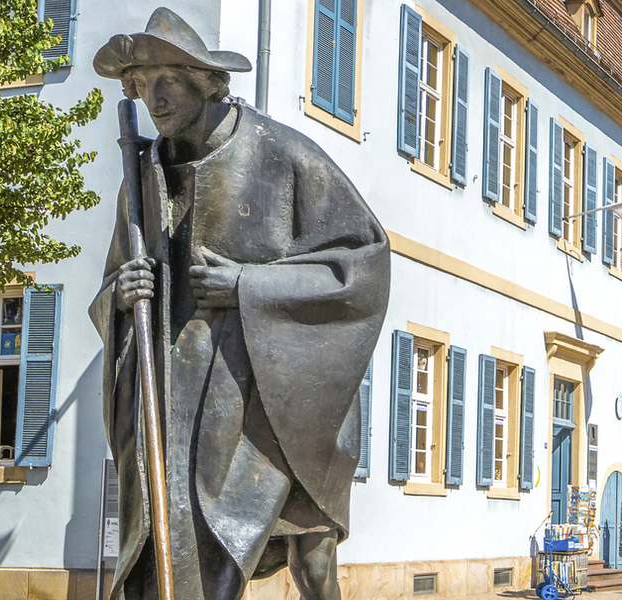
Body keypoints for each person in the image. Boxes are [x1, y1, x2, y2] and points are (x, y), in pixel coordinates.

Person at [91, 9, 393, 600]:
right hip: (177, 405)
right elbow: (113, 286)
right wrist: (120, 297)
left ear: (204, 81)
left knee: (313, 556)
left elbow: (363, 266)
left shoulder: (284, 155)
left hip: (272, 401)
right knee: (170, 555)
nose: (153, 97)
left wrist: (249, 287)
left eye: (167, 80)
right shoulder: (142, 176)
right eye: (140, 85)